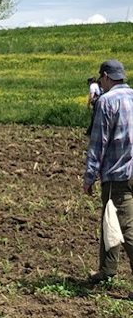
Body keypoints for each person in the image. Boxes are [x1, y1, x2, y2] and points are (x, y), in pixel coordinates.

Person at [83, 60, 133, 288]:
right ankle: (106, 270)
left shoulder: (106, 101)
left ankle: (107, 270)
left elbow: (98, 143)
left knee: (125, 226)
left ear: (104, 77)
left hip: (117, 173)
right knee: (109, 219)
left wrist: (89, 176)